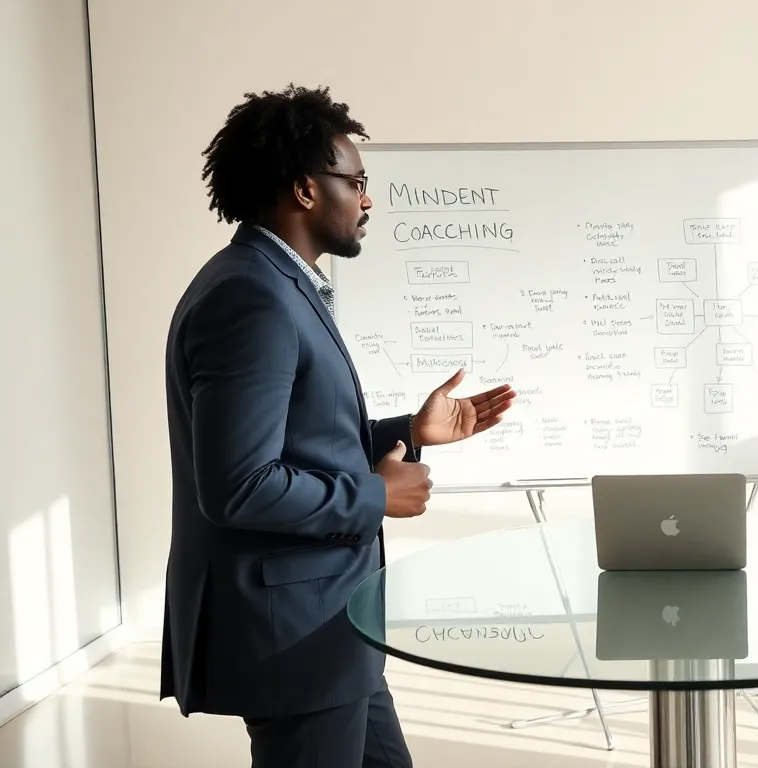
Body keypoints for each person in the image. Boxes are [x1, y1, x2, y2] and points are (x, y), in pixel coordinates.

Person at [160, 84, 515, 768]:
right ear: (303, 190)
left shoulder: (273, 284)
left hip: (327, 626)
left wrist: (408, 429)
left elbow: (299, 437)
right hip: (292, 634)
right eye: (355, 182)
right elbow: (238, 485)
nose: (368, 199)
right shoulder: (251, 298)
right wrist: (377, 496)